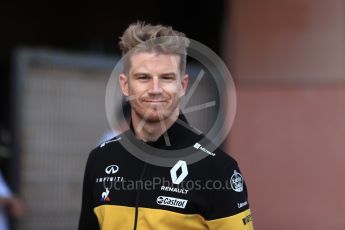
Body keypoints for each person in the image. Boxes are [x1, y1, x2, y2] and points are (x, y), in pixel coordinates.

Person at [78, 21, 254, 230]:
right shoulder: (100, 159)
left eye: (167, 77)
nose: (155, 89)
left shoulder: (217, 169)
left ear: (182, 85)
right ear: (125, 85)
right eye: (143, 77)